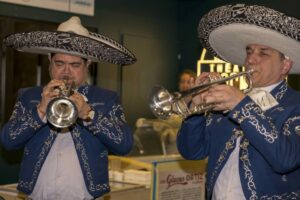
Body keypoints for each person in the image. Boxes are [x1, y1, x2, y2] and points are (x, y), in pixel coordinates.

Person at [0, 16, 136, 199]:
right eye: (59, 63)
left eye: (75, 65)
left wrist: (89, 114)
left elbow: (124, 145)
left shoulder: (107, 99)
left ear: (88, 64)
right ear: (49, 60)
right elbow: (9, 141)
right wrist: (40, 110)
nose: (66, 71)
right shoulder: (29, 96)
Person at [177, 4, 300, 200]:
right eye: (249, 51)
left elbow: (285, 159)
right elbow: (192, 152)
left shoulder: (295, 104)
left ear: (285, 65)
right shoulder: (230, 101)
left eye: (263, 53)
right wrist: (195, 110)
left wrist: (241, 105)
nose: (251, 59)